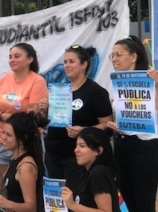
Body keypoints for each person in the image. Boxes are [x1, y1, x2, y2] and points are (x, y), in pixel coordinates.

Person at [106, 35, 158, 212]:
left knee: (145, 204)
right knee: (127, 203)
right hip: (121, 144)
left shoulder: (150, 80)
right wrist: (112, 125)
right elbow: (114, 116)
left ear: (133, 56)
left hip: (145, 146)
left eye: (118, 55)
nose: (114, 59)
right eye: (112, 56)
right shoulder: (115, 83)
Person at [40, 45, 113, 195]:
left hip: (77, 157)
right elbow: (49, 121)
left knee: (76, 199)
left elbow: (108, 125)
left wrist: (85, 131)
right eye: (65, 62)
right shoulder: (59, 90)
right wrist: (45, 109)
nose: (67, 65)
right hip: (53, 153)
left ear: (84, 64)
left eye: (71, 61)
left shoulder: (95, 92)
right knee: (57, 201)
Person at [0, 42, 48, 176]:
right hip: (2, 140)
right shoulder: (4, 79)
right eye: (10, 57)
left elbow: (30, 118)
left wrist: (2, 114)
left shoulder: (37, 81)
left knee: (26, 188)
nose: (12, 60)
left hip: (25, 142)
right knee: (2, 186)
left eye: (17, 56)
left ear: (30, 59)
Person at [0, 112, 45, 211]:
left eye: (8, 135)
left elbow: (31, 207)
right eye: (3, 132)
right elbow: (1, 186)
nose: (3, 137)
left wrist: (8, 204)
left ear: (22, 139)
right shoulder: (15, 159)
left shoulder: (25, 167)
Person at [61, 127, 120, 212]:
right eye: (76, 146)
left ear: (99, 151)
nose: (76, 150)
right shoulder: (86, 173)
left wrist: (73, 205)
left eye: (82, 146)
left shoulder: (99, 173)